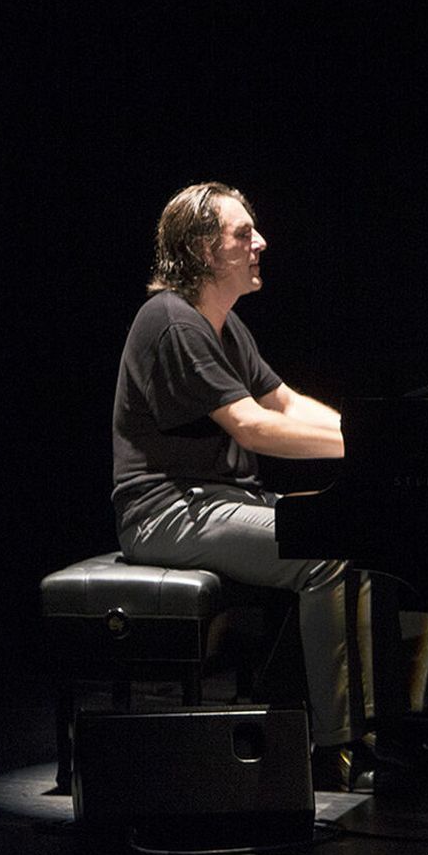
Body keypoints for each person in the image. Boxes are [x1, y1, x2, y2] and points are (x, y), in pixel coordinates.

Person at [111, 181, 374, 791]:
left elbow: (284, 401)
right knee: (324, 553)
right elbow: (254, 428)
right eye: (241, 233)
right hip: (164, 512)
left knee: (366, 530)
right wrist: (366, 446)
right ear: (205, 250)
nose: (261, 242)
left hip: (218, 504)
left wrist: (368, 435)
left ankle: (376, 722)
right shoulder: (173, 321)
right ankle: (337, 749)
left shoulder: (224, 325)